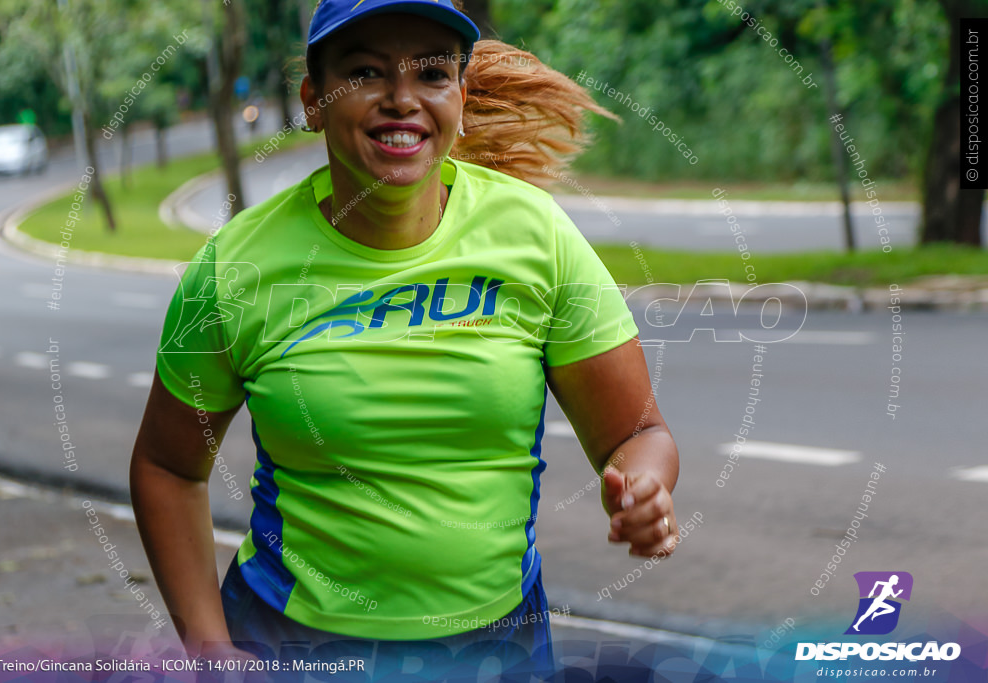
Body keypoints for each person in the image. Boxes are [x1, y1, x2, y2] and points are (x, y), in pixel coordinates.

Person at [130, 0, 680, 677]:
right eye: (366, 72)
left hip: (494, 649)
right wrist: (209, 649)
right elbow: (167, 464)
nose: (401, 100)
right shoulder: (233, 267)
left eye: (431, 73)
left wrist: (644, 487)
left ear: (460, 94)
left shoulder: (537, 236)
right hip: (289, 642)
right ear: (313, 99)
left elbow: (640, 433)